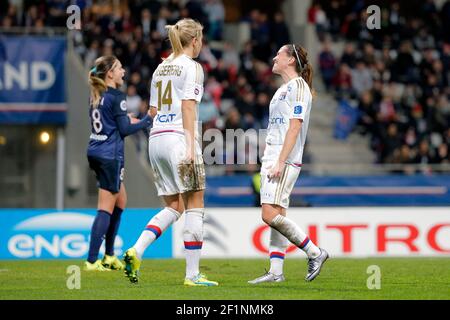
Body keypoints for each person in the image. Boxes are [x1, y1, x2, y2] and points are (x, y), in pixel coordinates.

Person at [123, 18, 218, 287]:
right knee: (195, 204)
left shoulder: (161, 68)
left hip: (157, 141)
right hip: (179, 139)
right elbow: (189, 107)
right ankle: (192, 275)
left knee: (174, 206)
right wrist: (190, 146)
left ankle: (136, 250)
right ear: (196, 40)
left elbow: (152, 111)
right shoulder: (193, 67)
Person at [248, 44, 329, 284]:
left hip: (284, 160)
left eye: (279, 54)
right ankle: (276, 271)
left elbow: (295, 127)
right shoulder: (282, 90)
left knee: (269, 214)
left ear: (291, 60)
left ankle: (315, 252)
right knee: (278, 214)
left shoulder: (300, 88)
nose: (274, 57)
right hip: (273, 156)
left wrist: (280, 161)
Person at [85, 56, 152, 271]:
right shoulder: (116, 96)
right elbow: (124, 130)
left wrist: (127, 118)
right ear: (110, 74)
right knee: (105, 206)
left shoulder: (97, 94)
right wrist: (146, 121)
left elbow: (113, 123)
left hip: (96, 149)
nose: (123, 71)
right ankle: (92, 261)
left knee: (120, 200)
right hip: (109, 155)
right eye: (119, 67)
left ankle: (109, 255)